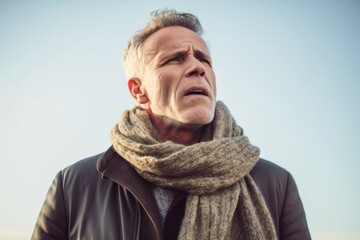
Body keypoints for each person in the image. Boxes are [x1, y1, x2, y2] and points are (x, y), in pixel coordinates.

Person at [32, 9, 311, 240]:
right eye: (175, 59)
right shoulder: (74, 186)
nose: (197, 67)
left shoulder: (275, 184)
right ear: (139, 90)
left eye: (203, 59)